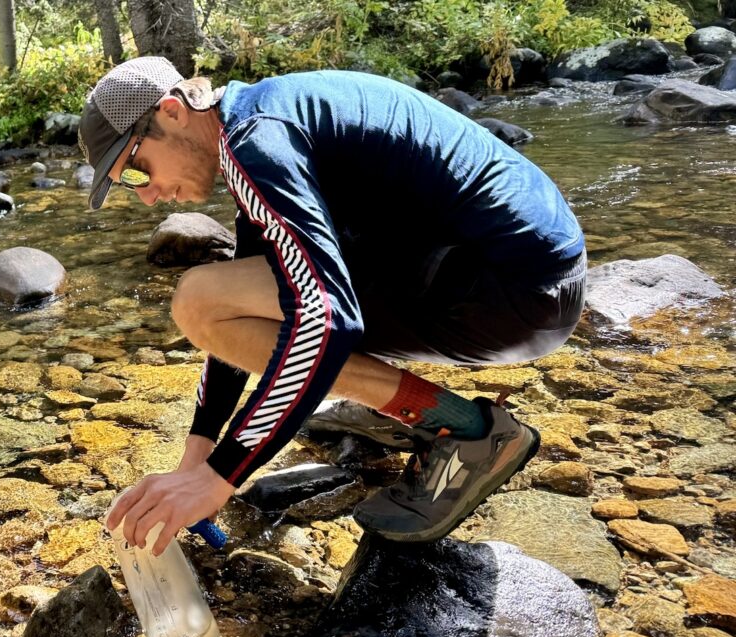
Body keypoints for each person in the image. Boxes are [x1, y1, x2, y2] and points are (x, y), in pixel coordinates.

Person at [83, 56, 586, 556]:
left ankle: (469, 434)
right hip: (524, 279)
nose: (146, 196)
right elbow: (241, 317)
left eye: (133, 169)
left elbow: (324, 316)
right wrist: (198, 454)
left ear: (172, 111)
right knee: (224, 296)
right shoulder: (258, 121)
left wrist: (221, 477)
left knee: (198, 299)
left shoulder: (254, 141)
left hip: (511, 286)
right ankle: (395, 408)